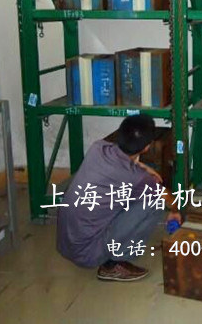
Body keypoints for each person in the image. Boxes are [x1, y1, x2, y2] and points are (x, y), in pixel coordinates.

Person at [57, 114, 181, 282]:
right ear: (146, 147)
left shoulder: (98, 148)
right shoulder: (135, 178)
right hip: (88, 255)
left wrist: (145, 169)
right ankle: (113, 264)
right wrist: (176, 211)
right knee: (154, 202)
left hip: (67, 245)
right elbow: (166, 196)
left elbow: (131, 162)